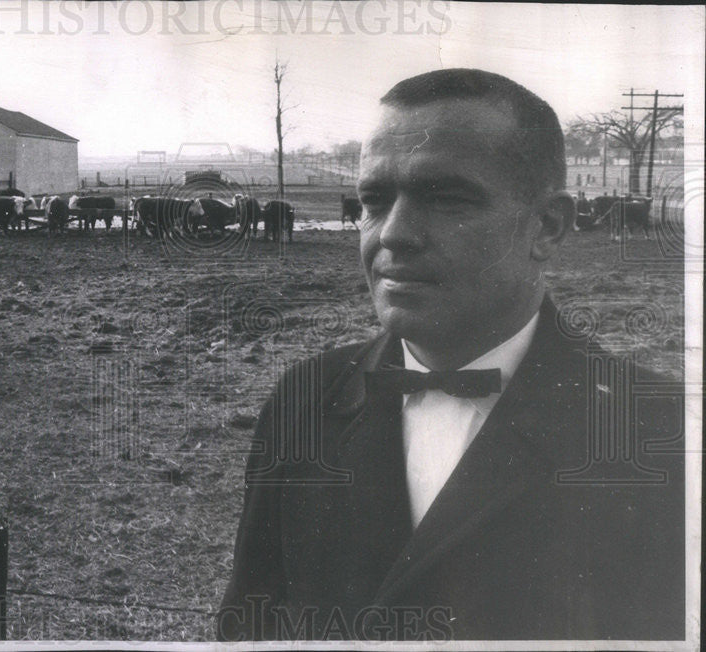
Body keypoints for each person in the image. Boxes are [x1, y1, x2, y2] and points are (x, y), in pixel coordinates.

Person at [217, 69, 684, 642]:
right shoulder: (307, 397)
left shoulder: (661, 430)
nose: (392, 234)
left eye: (448, 200)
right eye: (374, 200)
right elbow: (251, 624)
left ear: (548, 226)